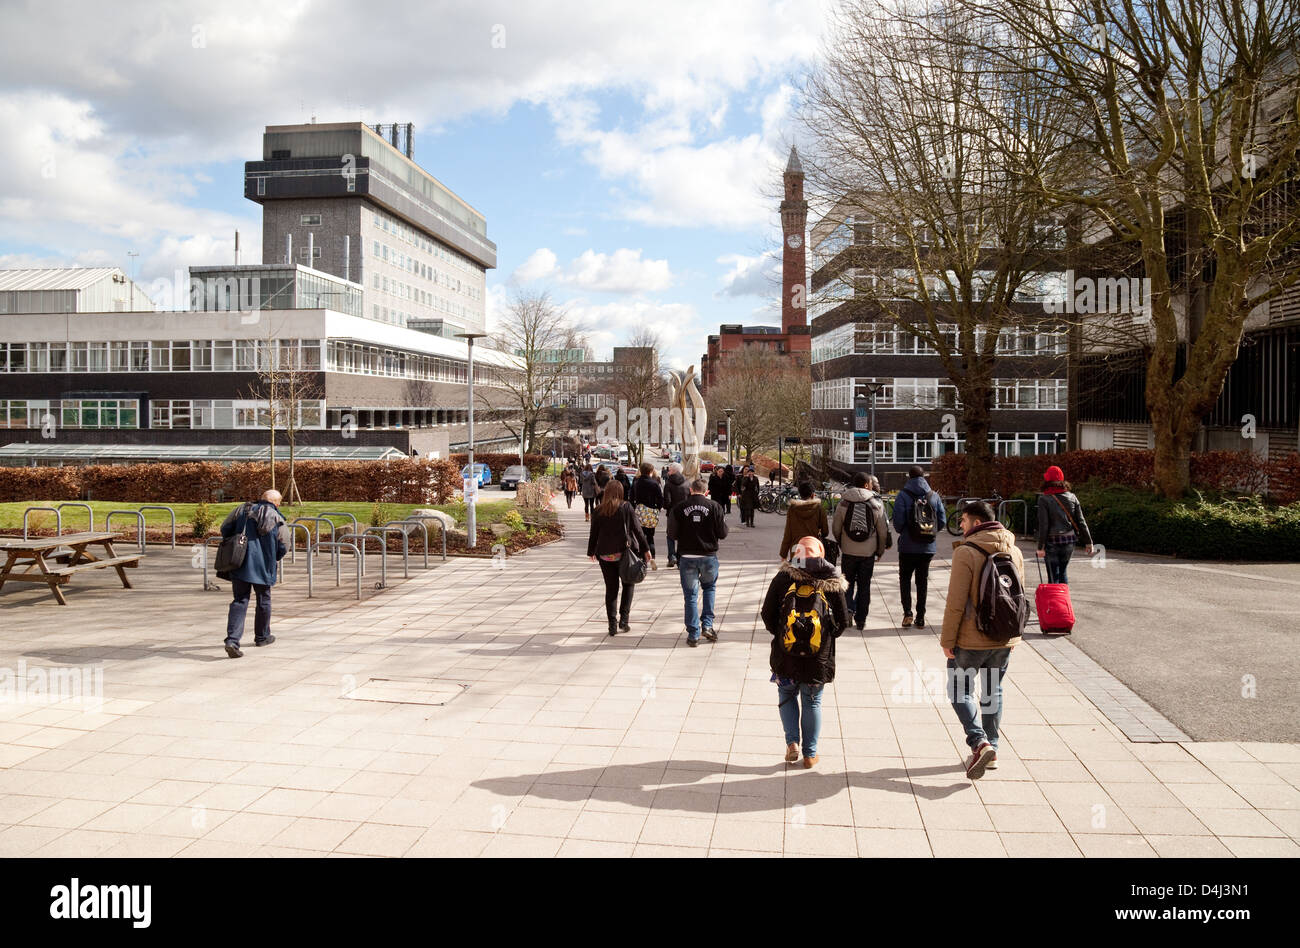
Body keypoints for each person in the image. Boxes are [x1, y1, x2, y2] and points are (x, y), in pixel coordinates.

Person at [941, 501, 1025, 779]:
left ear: (976, 523)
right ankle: (993, 751)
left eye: (963, 520)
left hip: (970, 638)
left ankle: (979, 742)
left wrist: (947, 639)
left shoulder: (966, 552)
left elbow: (955, 602)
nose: (961, 525)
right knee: (992, 690)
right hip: (1004, 637)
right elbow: (1019, 597)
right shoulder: (1014, 549)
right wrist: (1015, 635)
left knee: (959, 689)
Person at [761, 536, 849, 769]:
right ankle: (810, 754)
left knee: (787, 695)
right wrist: (826, 640)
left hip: (786, 654)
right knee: (812, 702)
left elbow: (767, 613)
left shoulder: (784, 576)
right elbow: (843, 621)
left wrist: (780, 634)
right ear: (820, 553)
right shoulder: (831, 580)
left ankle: (792, 744)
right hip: (817, 658)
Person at [220, 489, 288, 659]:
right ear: (276, 503)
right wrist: (273, 557)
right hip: (264, 566)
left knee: (240, 600)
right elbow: (284, 545)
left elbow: (225, 528)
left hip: (240, 562)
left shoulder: (241, 510)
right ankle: (262, 636)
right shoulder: (277, 518)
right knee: (263, 599)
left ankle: (232, 640)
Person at [666, 478, 728, 646]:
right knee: (709, 589)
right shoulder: (715, 507)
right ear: (706, 491)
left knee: (691, 596)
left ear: (691, 490)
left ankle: (693, 633)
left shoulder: (679, 508)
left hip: (687, 556)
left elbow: (671, 534)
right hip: (708, 555)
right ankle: (707, 625)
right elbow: (722, 533)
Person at [586, 480, 649, 636]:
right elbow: (637, 530)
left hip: (605, 555)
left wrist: (591, 551)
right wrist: (646, 549)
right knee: (628, 584)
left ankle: (612, 625)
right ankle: (624, 620)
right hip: (624, 553)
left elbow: (593, 533)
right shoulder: (626, 507)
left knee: (611, 589)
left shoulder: (598, 510)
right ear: (620, 492)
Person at [891, 464, 946, 630]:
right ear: (925, 477)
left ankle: (907, 613)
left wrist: (905, 531)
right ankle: (921, 617)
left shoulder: (903, 495)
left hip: (907, 546)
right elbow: (941, 520)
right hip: (927, 547)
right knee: (922, 582)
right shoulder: (933, 495)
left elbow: (898, 523)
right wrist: (930, 532)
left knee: (905, 580)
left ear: (909, 477)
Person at [832, 472, 889, 629]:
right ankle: (861, 619)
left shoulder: (843, 503)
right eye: (870, 483)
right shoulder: (876, 504)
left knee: (847, 584)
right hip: (868, 553)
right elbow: (882, 531)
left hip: (848, 551)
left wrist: (842, 542)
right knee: (864, 586)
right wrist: (880, 550)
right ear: (866, 485)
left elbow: (836, 528)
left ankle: (847, 610)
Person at [1036, 465, 1094, 584]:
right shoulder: (1072, 497)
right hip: (1069, 540)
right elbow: (1081, 521)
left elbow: (1044, 525)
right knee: (1063, 572)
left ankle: (1054, 602)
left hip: (1052, 541)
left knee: (1053, 576)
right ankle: (1063, 601)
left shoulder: (1044, 499)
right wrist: (1089, 542)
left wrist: (1040, 547)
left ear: (1048, 481)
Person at [779, 480, 829, 561]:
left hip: (797, 549)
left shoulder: (792, 509)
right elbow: (825, 532)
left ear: (800, 494)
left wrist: (783, 554)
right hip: (813, 549)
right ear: (813, 495)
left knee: (798, 572)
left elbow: (788, 534)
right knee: (812, 572)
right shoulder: (819, 509)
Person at [630, 461, 665, 570]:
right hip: (650, 512)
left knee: (640, 536)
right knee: (650, 537)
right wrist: (657, 509)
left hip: (639, 512)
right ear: (651, 471)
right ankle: (652, 557)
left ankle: (642, 559)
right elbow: (660, 499)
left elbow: (631, 497)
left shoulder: (636, 483)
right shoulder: (654, 483)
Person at [662, 462, 690, 567]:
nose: (668, 472)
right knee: (682, 536)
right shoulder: (687, 483)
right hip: (685, 512)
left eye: (669, 470)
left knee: (670, 536)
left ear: (674, 471)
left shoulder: (668, 484)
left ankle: (671, 557)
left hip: (673, 513)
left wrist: (666, 507)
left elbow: (667, 502)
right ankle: (680, 559)